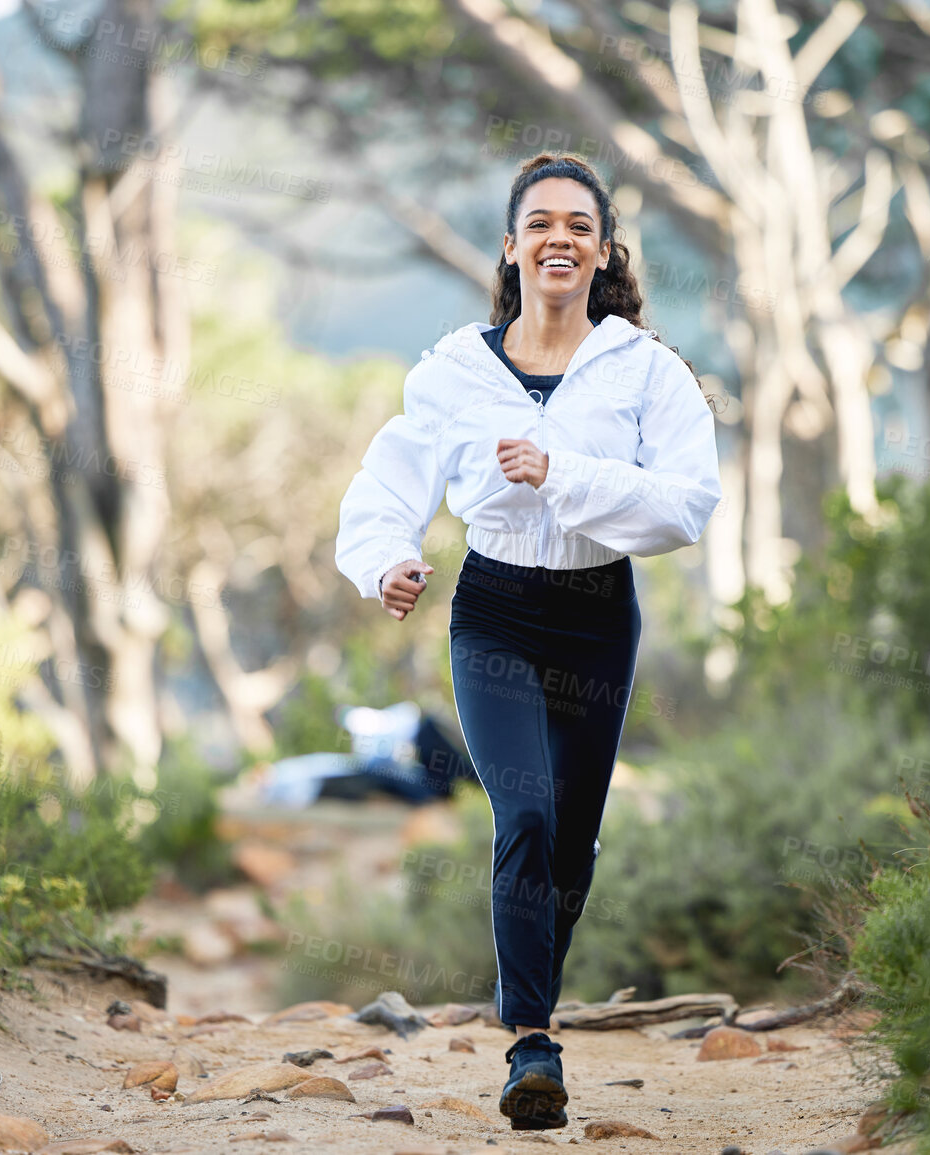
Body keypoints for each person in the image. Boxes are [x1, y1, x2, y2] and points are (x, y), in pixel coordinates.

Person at [334, 153, 722, 1129]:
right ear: (512, 247)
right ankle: (531, 1044)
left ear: (600, 250)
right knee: (529, 816)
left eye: (578, 225)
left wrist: (566, 475)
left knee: (576, 845)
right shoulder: (455, 370)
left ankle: (536, 1006)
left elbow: (687, 505)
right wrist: (387, 560)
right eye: (539, 222)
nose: (559, 238)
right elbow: (389, 486)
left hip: (598, 616)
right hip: (497, 610)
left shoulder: (644, 369)